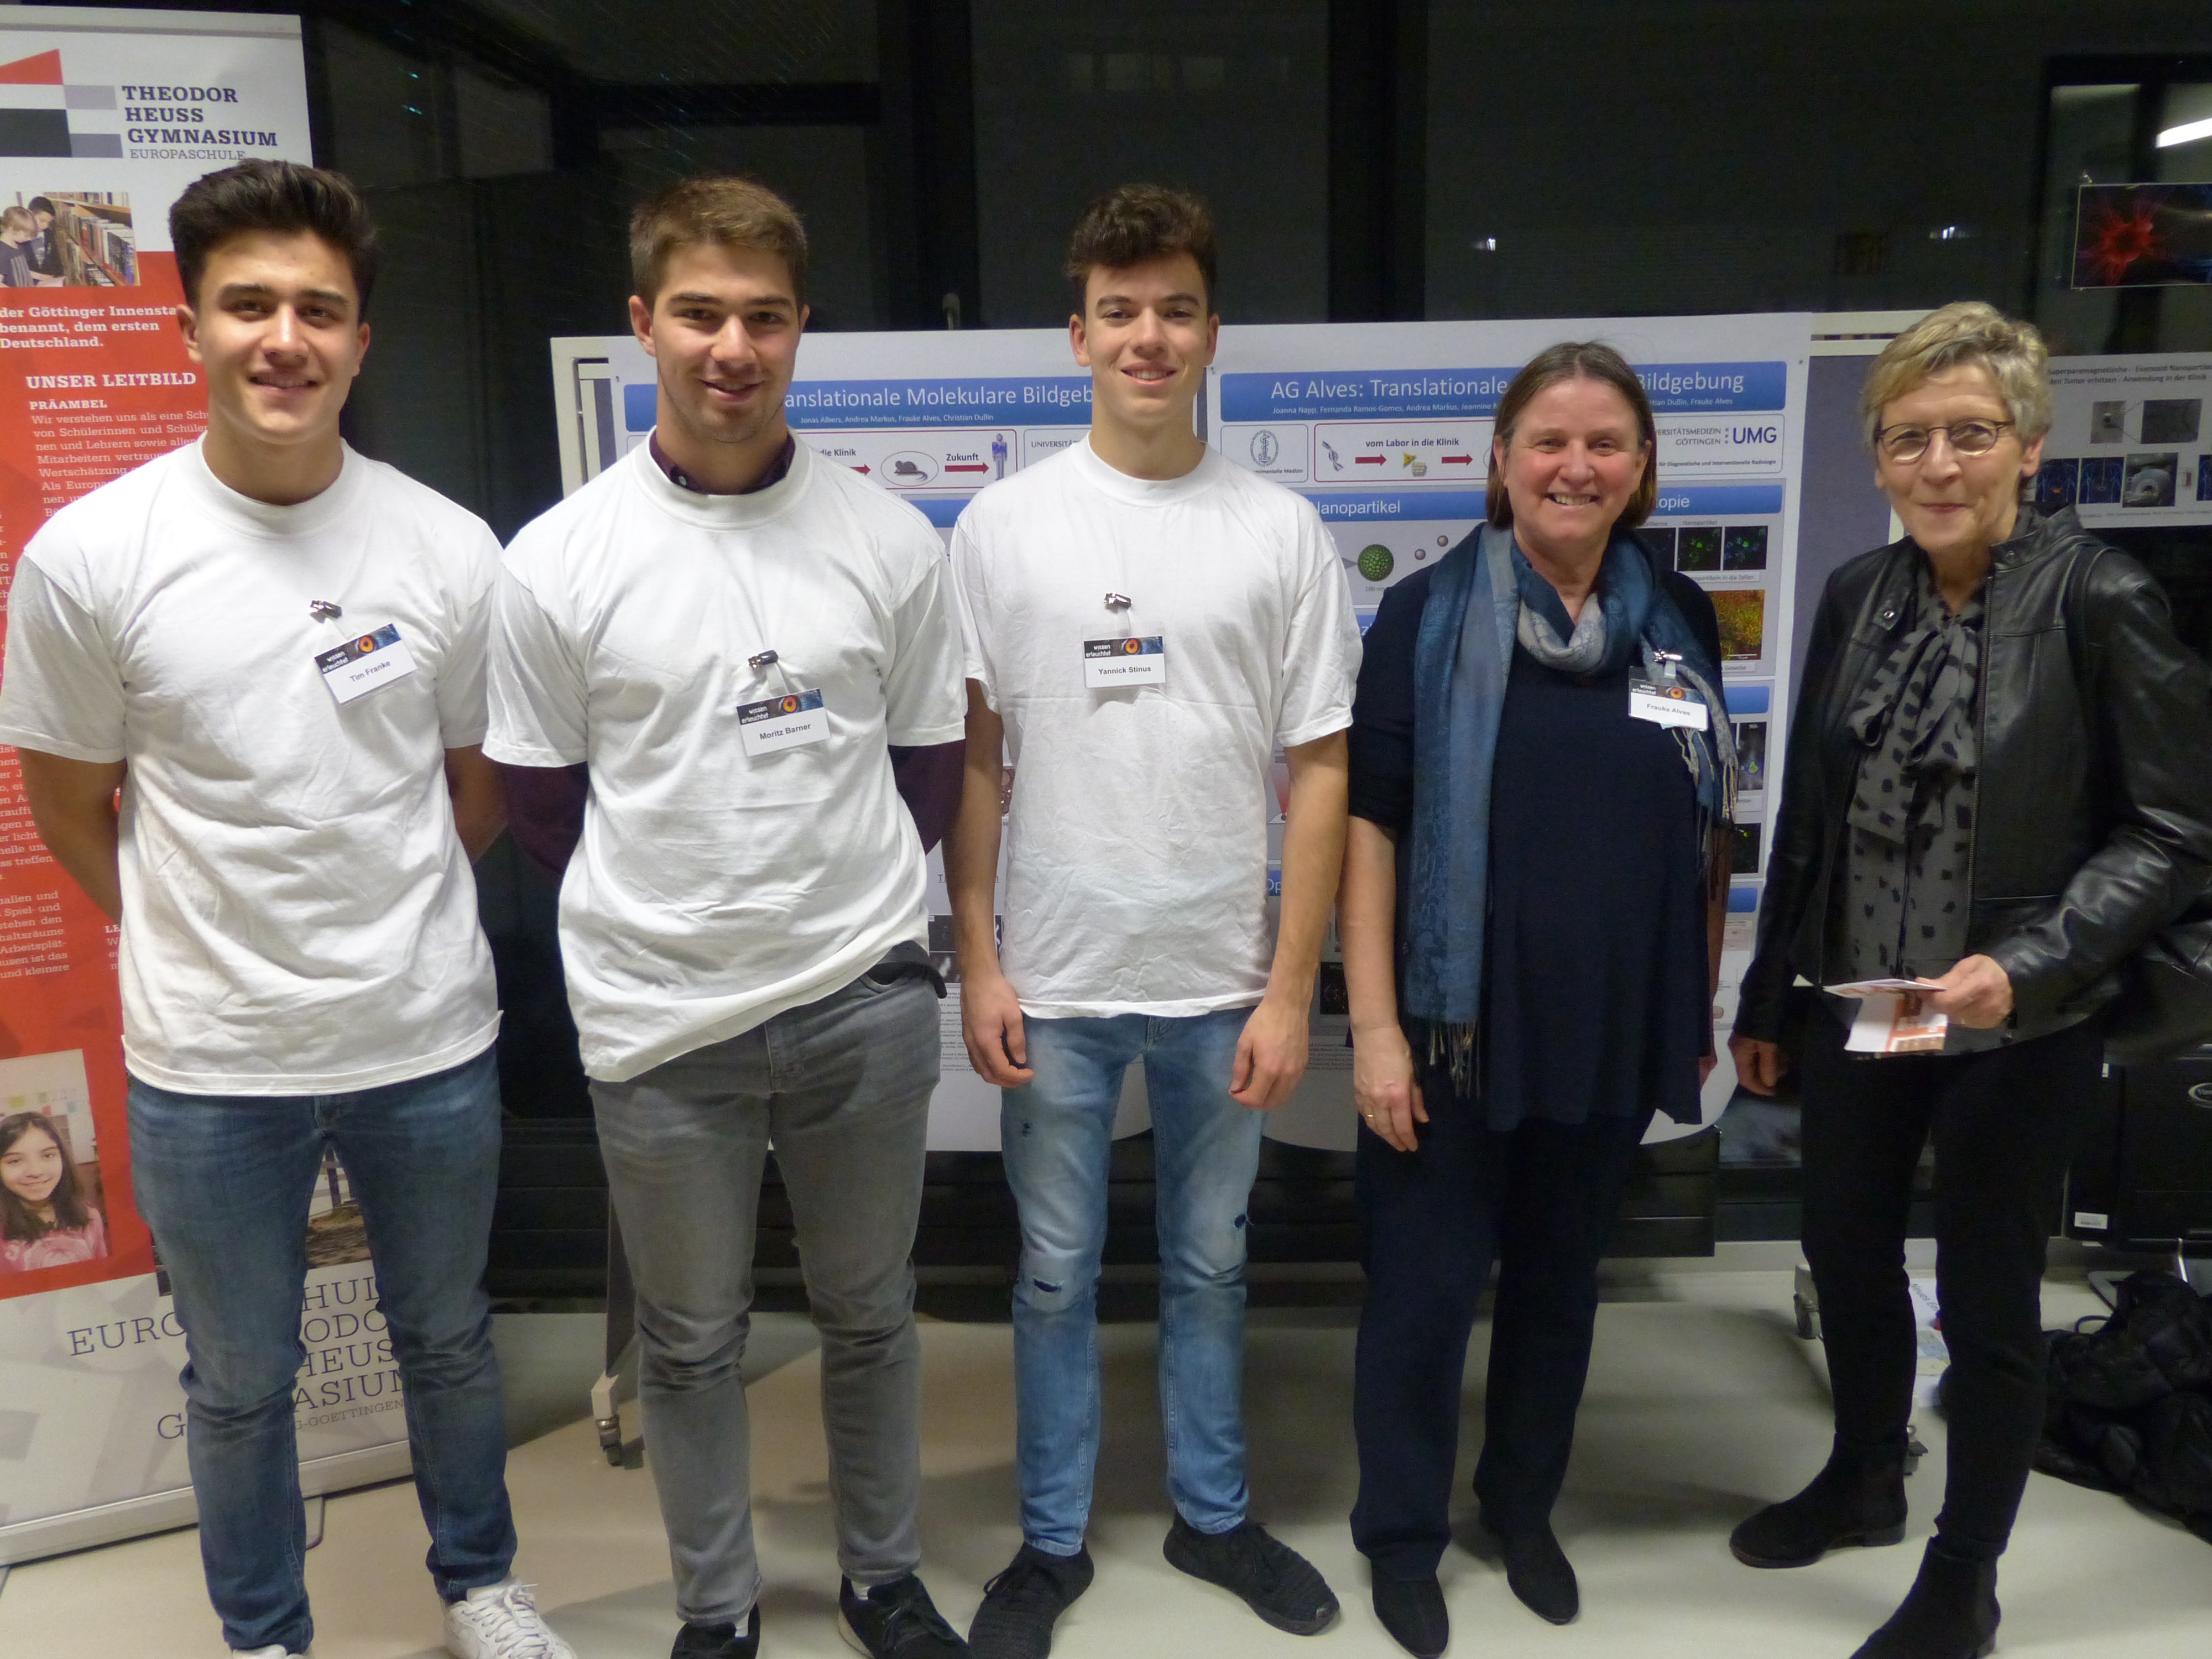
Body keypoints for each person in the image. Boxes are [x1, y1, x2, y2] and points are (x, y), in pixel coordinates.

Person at [0, 160, 569, 1659]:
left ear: (361, 342)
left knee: (448, 1338)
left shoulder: (447, 548)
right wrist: (197, 929)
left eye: (319, 310)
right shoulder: (93, 558)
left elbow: (478, 785)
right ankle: (263, 1631)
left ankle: (482, 1587)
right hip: (211, 1061)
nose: (284, 339)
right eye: (248, 304)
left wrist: (382, 905)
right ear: (188, 325)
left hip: (423, 1037)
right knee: (240, 1376)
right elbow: (68, 803)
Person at [487, 174, 972, 1659]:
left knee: (871, 1313)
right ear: (645, 323)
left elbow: (929, 769)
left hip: (860, 1002)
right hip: (660, 1022)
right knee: (691, 1341)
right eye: (700, 313)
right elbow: (542, 804)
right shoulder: (559, 557)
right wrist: (680, 902)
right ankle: (719, 1607)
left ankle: (883, 1577)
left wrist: (819, 907)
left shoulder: (888, 541)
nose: (733, 347)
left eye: (764, 317)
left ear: (802, 327)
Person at [1727, 301, 2212, 1659]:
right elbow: (1811, 819)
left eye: (1969, 433)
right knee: (1843, 1245)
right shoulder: (1857, 595)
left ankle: (1963, 1574)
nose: (1937, 465)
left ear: (2028, 446)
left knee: (1988, 1295)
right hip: (1867, 1001)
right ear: (1878, 457)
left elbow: (2174, 829)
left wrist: (2031, 963)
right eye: (1907, 438)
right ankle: (1862, 1475)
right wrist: (1770, 999)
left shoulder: (2099, 599)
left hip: (2018, 1021)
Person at [945, 183, 1357, 1659]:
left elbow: (1321, 769)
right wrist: (978, 957)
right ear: (1077, 336)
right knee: (1053, 1274)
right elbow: (976, 759)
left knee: (1212, 1267)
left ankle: (1213, 1514)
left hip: (1218, 978)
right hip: (1053, 979)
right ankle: (1051, 1542)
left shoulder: (1280, 531)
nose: (1147, 336)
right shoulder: (1002, 528)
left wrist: (1288, 988)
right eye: (1118, 311)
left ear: (1212, 332)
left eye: (1175, 310)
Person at [1339, 341, 1733, 1656]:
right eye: (1548, 441)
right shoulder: (1424, 614)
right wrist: (1377, 1031)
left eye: (1603, 442)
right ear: (1499, 462)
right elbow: (1370, 831)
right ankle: (1401, 1534)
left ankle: (1519, 1506)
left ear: (1639, 467)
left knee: (1560, 1288)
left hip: (1608, 1022)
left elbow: (1703, 823)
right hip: (1450, 1036)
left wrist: (1695, 993)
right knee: (1421, 1295)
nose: (1575, 465)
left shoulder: (1674, 616)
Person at [0, 1112, 109, 1272]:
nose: (35, 1171)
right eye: (15, 1161)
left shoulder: (89, 1217)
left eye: (48, 1155)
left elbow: (103, 1275)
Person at [28, 195, 66, 283]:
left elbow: (56, 259)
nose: (46, 226)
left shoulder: (49, 233)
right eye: (42, 221)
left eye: (49, 222)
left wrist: (60, 278)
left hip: (48, 282)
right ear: (30, 214)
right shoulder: (20, 237)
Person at [0, 205, 36, 286]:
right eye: (26, 235)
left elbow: (23, 272)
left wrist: (42, 277)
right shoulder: (2, 251)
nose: (30, 239)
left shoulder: (18, 246)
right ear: (12, 229)